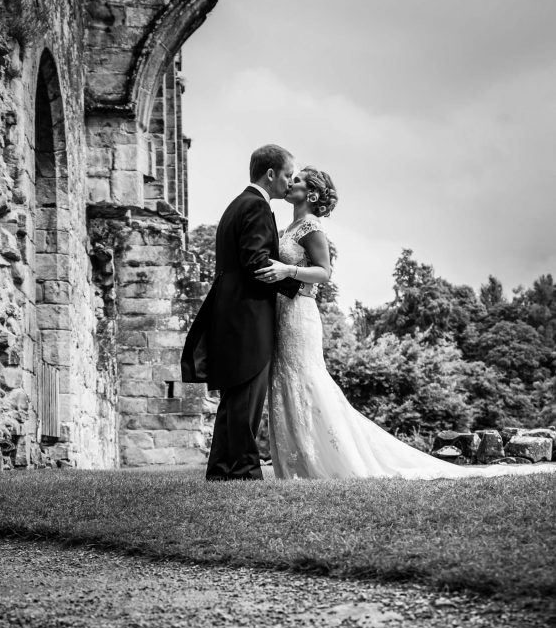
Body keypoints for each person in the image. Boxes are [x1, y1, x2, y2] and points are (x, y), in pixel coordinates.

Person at [256, 166, 556, 480]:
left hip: (300, 313)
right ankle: (295, 465)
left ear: (313, 194)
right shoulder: (289, 227)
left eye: (298, 180)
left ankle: (324, 460)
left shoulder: (311, 228)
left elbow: (324, 272)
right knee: (284, 380)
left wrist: (287, 272)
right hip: (282, 311)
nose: (291, 182)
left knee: (306, 380)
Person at [181, 145, 301, 480]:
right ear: (271, 174)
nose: (290, 183)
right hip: (248, 316)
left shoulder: (238, 204)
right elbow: (255, 263)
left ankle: (221, 468)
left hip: (231, 312)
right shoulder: (257, 207)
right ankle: (244, 470)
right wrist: (296, 287)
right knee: (247, 396)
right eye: (288, 175)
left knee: (236, 397)